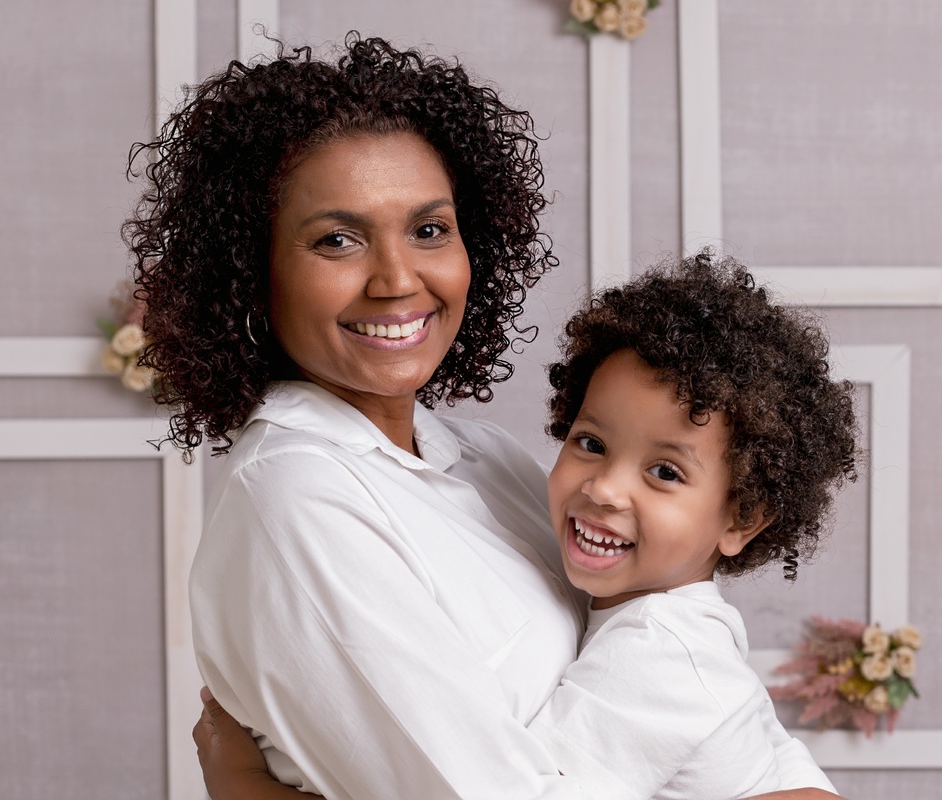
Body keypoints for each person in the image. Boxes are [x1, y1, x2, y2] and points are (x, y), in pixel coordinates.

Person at [127, 32, 844, 800]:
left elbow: (717, 720)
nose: (399, 279)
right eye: (338, 240)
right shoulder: (296, 501)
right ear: (251, 271)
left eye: (429, 229)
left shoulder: (485, 459)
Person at [524, 253, 858, 799]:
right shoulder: (692, 625)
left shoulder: (660, 651)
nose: (604, 489)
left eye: (664, 472)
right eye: (591, 443)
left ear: (741, 519)